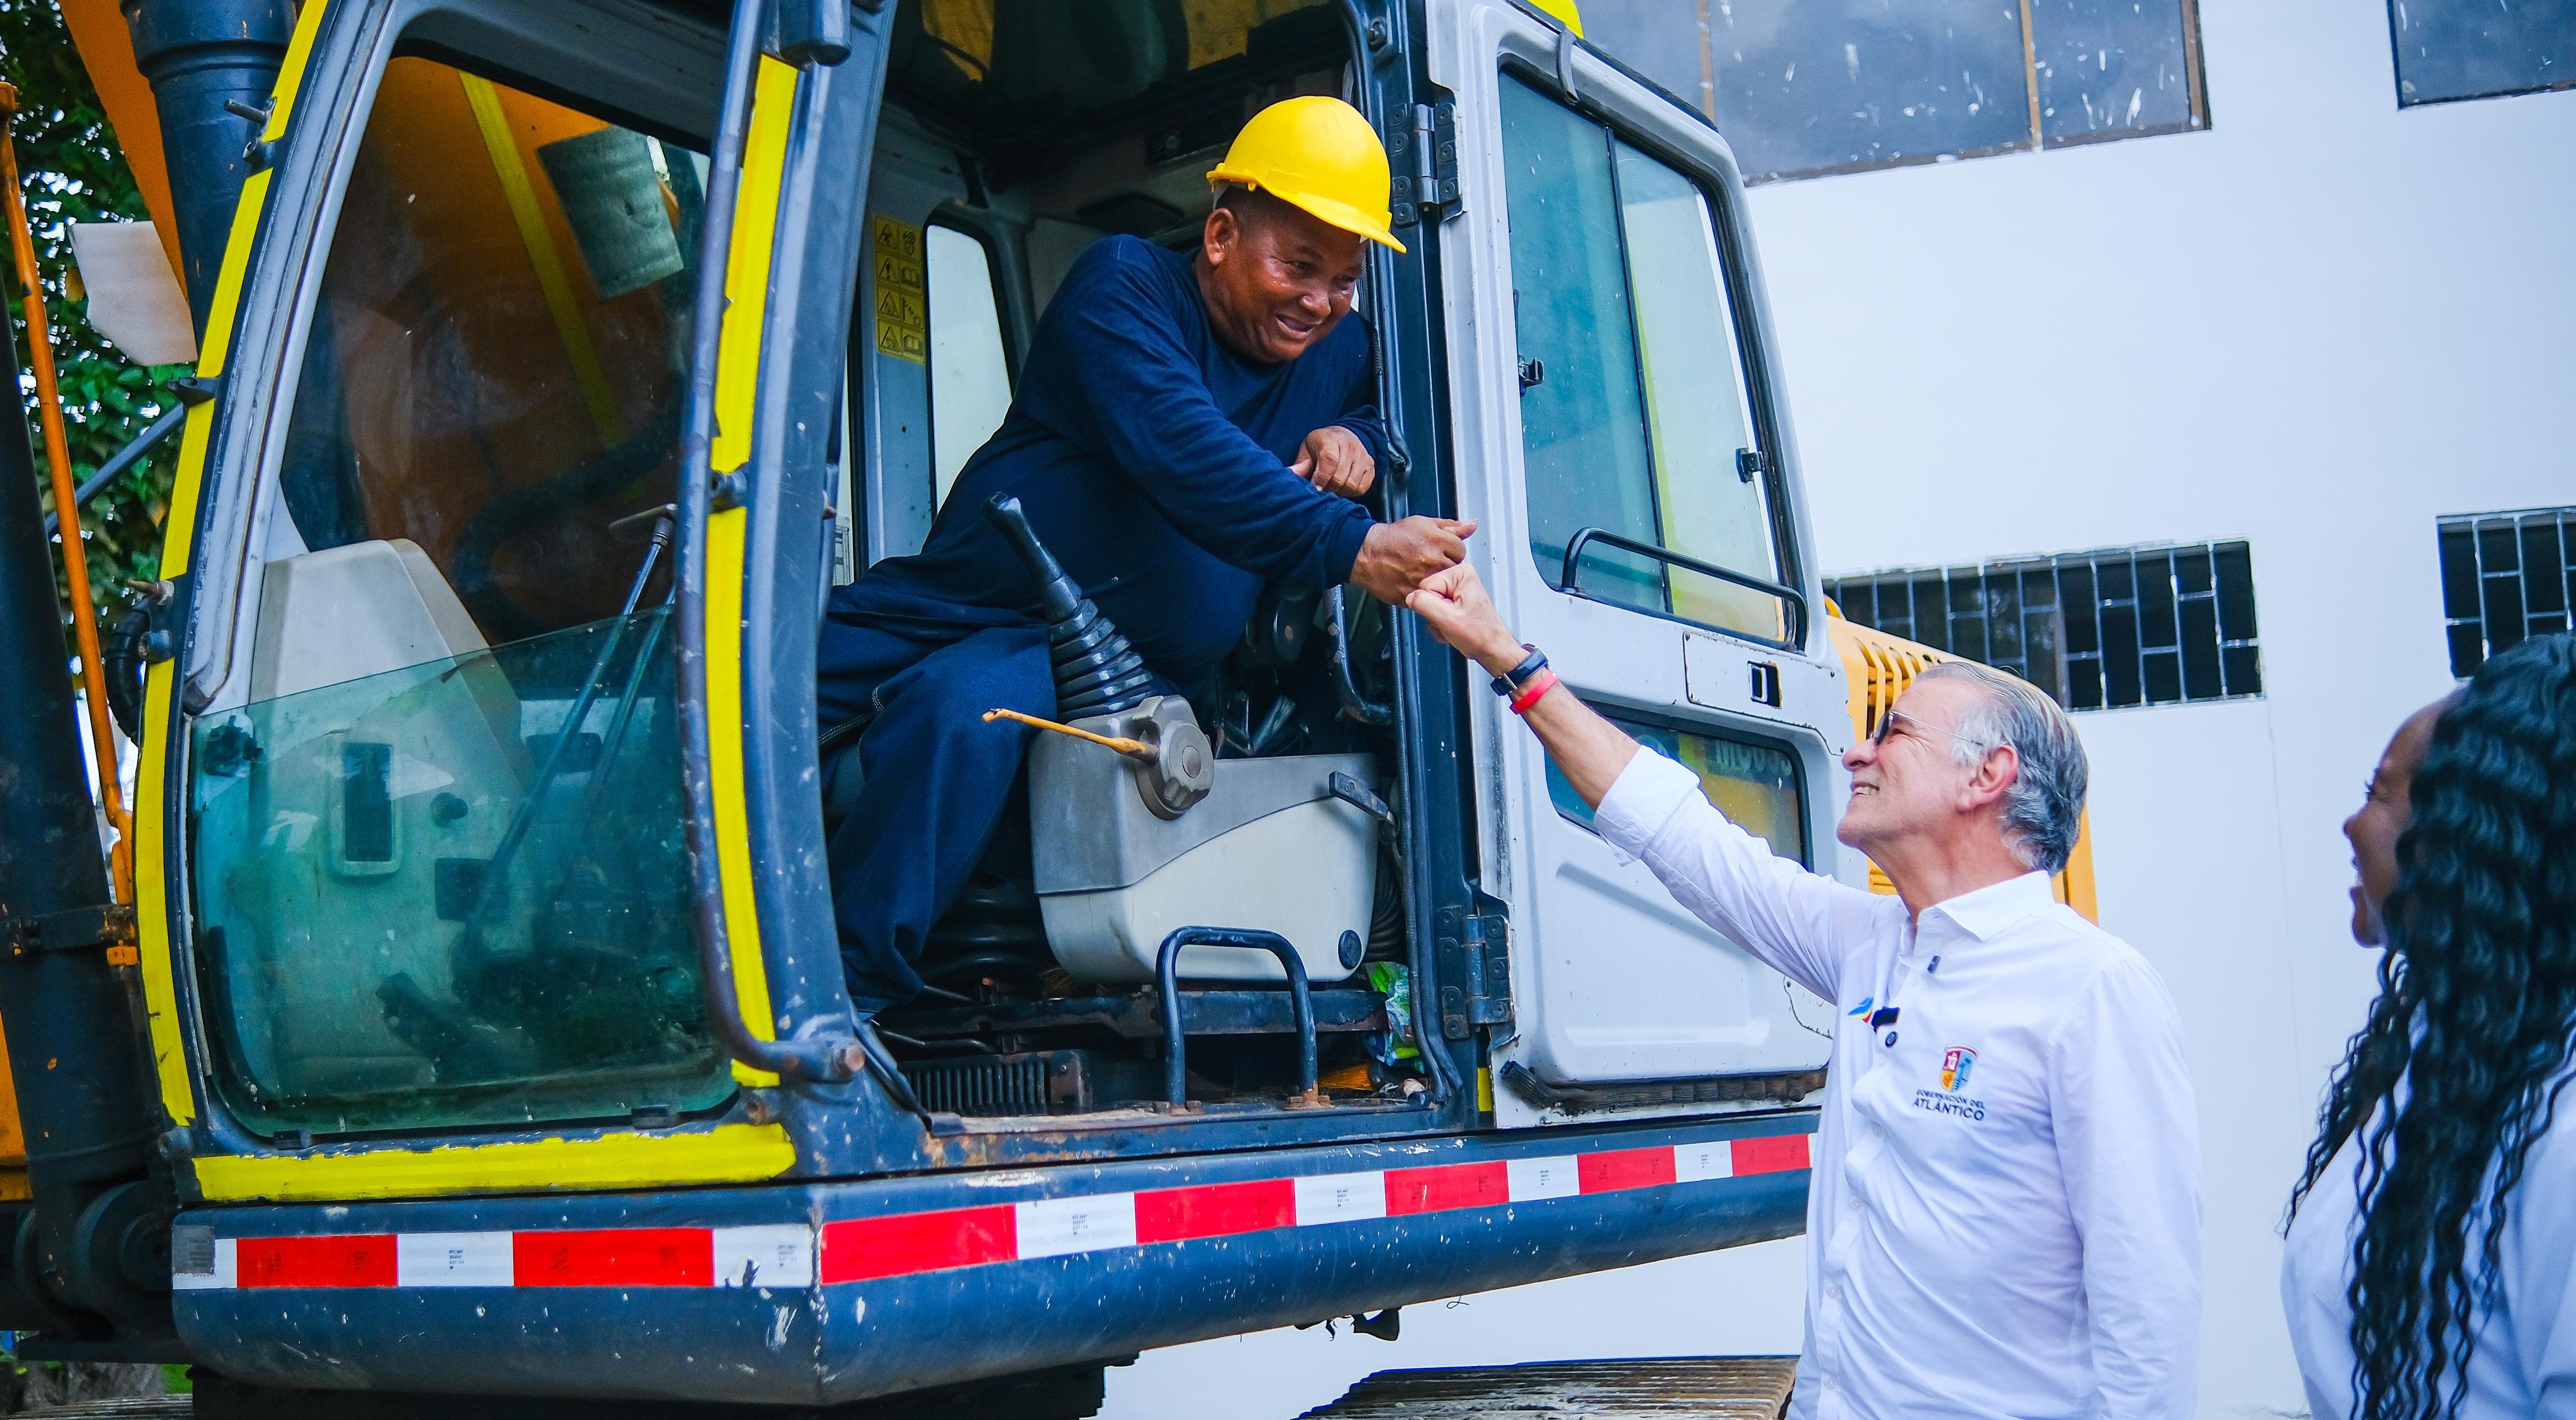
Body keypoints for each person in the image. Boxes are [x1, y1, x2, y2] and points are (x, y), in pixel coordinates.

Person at [1402, 561, 2203, 1420]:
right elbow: (1682, 835)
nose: (1855, 750)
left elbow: (2147, 1309)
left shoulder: (2090, 990)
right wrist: (1505, 657)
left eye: (1892, 733)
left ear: (1986, 776)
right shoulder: (1873, 945)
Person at [818, 96, 1473, 1011]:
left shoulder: (1335, 349)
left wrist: (1353, 433)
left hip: (1115, 673)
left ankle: (847, 1005)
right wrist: (1351, 544)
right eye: (1298, 266)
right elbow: (1186, 451)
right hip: (959, 608)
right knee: (731, 687)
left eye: (1344, 281)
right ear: (1217, 236)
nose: (1320, 303)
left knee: (967, 710)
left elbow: (1383, 398)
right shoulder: (1123, 289)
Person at [2282, 632, 2576, 1420]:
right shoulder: (2445, 1061)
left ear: (2473, 833)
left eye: (2381, 794)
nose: (2351, 825)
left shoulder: (2562, 1125)